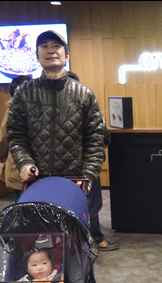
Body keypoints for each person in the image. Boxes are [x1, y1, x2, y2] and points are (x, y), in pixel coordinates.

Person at [7, 30, 111, 283]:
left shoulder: (83, 94)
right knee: (34, 245)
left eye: (57, 46)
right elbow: (16, 135)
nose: (51, 50)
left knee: (80, 245)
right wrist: (25, 162)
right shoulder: (25, 93)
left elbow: (96, 140)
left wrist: (88, 176)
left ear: (66, 55)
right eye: (45, 46)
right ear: (37, 55)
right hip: (37, 184)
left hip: (74, 185)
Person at [66, 72, 119, 252]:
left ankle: (73, 242)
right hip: (86, 167)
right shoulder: (88, 108)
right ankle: (94, 239)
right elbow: (104, 136)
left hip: (65, 170)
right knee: (91, 204)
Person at [0, 75, 32, 201]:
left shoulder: (12, 109)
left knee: (22, 203)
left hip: (18, 164)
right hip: (39, 167)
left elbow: (3, 138)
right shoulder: (42, 107)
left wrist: (1, 156)